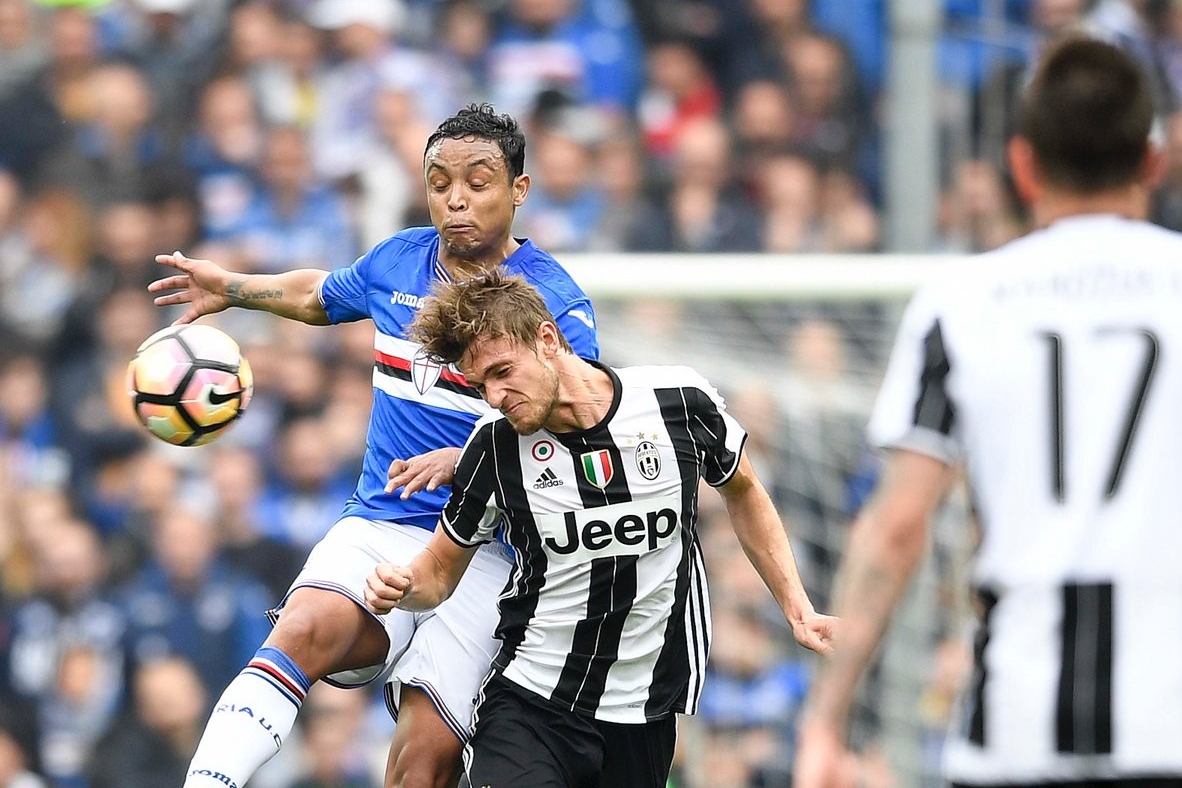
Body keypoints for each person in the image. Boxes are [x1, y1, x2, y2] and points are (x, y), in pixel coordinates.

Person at [148, 104, 599, 788]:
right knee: (302, 627)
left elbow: (584, 430)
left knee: (423, 758)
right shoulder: (398, 260)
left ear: (519, 190)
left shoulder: (556, 305)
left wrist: (472, 462)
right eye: (440, 182)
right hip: (383, 521)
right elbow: (317, 295)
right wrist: (233, 290)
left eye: (478, 182)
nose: (456, 199)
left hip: (496, 554)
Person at [797, 38, 1182, 788]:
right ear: (1152, 161)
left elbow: (896, 527)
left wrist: (827, 718)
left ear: (1022, 165)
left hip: (1017, 723)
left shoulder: (963, 303)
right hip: (1179, 724)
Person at [363, 268, 837, 788]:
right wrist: (403, 586)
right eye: (481, 386)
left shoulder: (678, 402)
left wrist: (797, 606)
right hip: (533, 702)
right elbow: (437, 572)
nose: (494, 396)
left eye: (502, 372)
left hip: (644, 711)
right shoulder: (495, 448)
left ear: (547, 339)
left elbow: (743, 490)